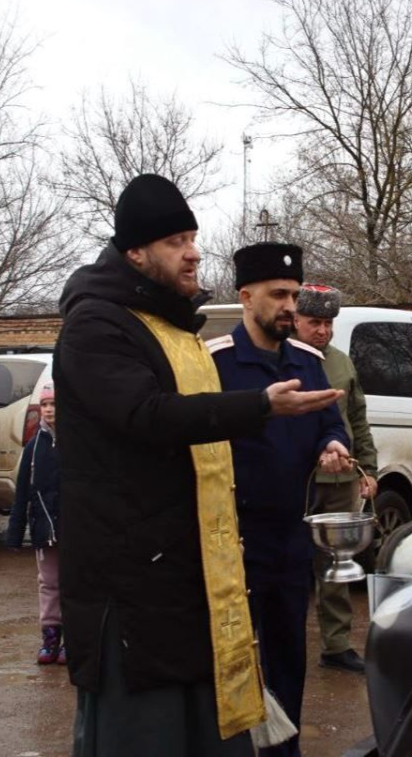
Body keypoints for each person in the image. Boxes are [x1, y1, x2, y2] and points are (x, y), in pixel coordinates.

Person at [53, 174, 343, 757]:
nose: (193, 251)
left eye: (192, 237)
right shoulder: (97, 324)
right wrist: (261, 405)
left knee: (207, 727)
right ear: (135, 251)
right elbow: (148, 415)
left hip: (188, 574)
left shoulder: (167, 324)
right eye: (175, 241)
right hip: (132, 584)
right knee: (147, 734)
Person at [207, 244, 352, 757]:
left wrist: (333, 444)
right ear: (245, 296)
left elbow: (331, 422)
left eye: (293, 294)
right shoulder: (217, 363)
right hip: (232, 539)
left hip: (291, 535)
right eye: (278, 294)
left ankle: (283, 751)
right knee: (231, 657)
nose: (289, 305)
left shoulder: (310, 362)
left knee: (289, 654)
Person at [292, 283, 378, 675]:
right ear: (296, 320)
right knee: (290, 564)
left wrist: (369, 469)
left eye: (328, 323)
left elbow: (357, 419)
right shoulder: (284, 360)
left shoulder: (342, 363)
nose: (322, 331)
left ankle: (337, 643)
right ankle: (285, 639)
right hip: (297, 482)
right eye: (314, 322)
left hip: (341, 480)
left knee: (336, 563)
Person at [6, 381, 65, 665]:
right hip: (44, 527)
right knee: (49, 583)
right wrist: (15, 533)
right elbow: (22, 491)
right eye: (45, 404)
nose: (50, 410)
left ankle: (75, 640)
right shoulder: (33, 447)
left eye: (54, 404)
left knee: (75, 583)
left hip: (74, 528)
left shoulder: (77, 441)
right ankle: (50, 638)